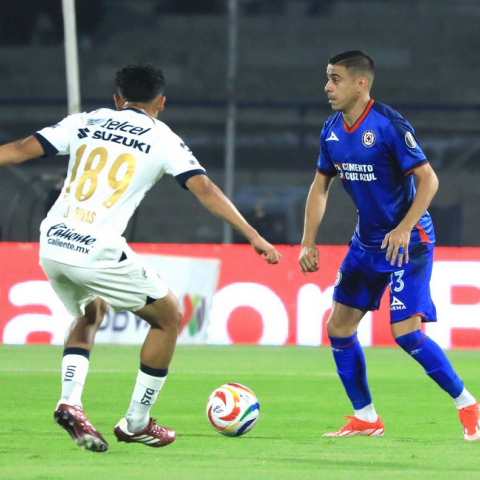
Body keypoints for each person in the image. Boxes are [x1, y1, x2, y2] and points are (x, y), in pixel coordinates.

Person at [0, 63, 281, 452]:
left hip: (52, 240)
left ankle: (70, 401)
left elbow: (17, 151)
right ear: (161, 103)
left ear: (117, 99)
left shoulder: (86, 120)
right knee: (168, 317)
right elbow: (205, 189)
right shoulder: (163, 138)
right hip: (95, 246)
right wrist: (253, 235)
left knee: (89, 313)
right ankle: (136, 421)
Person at [298, 51, 479, 441]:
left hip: (408, 242)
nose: (327, 87)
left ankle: (468, 403)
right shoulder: (331, 130)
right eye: (327, 78)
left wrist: (404, 227)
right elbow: (320, 186)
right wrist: (307, 241)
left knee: (406, 334)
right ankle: (366, 418)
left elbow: (429, 180)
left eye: (336, 78)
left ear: (361, 84)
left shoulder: (389, 126)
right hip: (366, 244)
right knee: (339, 327)